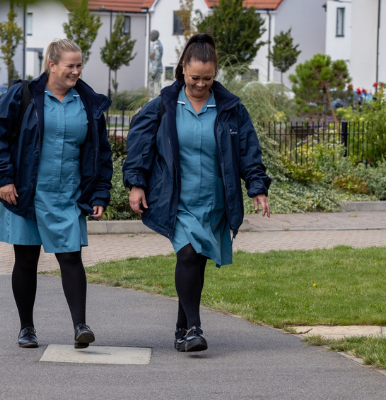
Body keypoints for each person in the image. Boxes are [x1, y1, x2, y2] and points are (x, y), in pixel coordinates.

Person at [123, 33, 271, 353]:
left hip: (215, 199)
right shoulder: (165, 104)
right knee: (188, 254)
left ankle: (181, 329)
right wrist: (136, 183)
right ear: (182, 69)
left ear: (215, 73)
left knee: (196, 263)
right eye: (194, 78)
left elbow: (248, 150)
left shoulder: (230, 107)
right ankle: (194, 327)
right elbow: (139, 142)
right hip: (178, 198)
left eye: (207, 78)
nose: (200, 84)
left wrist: (257, 187)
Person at [0, 38, 113, 349]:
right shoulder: (24, 96)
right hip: (24, 192)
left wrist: (99, 194)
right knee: (26, 259)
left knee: (71, 256)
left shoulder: (88, 104)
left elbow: (100, 154)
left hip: (67, 194)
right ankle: (27, 328)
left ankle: (81, 326)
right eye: (70, 65)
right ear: (51, 65)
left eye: (79, 65)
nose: (76, 71)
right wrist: (3, 178)